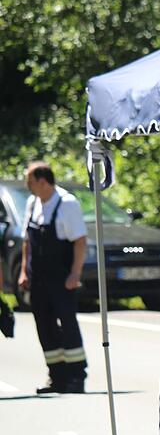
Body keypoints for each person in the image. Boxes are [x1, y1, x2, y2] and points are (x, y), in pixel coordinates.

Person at [16, 161, 88, 393]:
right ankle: (56, 376)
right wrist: (24, 271)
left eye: (30, 181)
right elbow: (28, 240)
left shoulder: (67, 204)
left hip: (61, 276)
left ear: (43, 181)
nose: (27, 185)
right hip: (38, 277)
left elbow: (79, 241)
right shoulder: (32, 203)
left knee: (67, 323)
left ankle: (77, 376)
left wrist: (75, 274)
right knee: (44, 326)